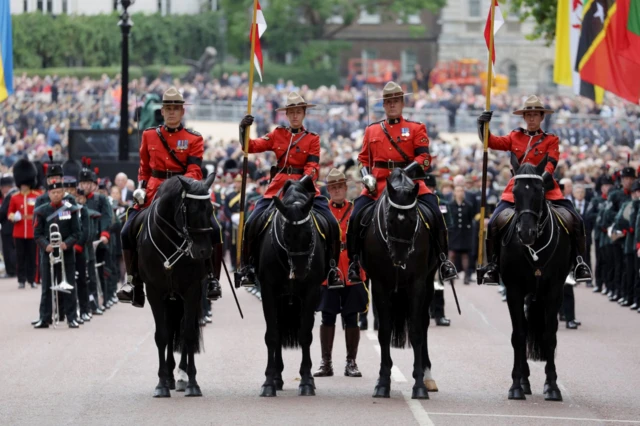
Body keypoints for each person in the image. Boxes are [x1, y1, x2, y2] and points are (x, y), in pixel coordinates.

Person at [117, 87, 222, 307]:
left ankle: (213, 279)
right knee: (127, 229)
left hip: (184, 191)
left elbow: (194, 171)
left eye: (176, 108)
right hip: (154, 190)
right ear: (162, 111)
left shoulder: (194, 138)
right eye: (168, 108)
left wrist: (176, 186)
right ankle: (132, 281)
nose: (172, 112)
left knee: (214, 228)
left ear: (182, 111)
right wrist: (143, 187)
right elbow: (144, 168)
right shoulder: (148, 135)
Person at [346, 81, 457, 283]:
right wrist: (366, 176)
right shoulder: (372, 130)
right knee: (355, 215)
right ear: (384, 105)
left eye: (395, 101)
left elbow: (424, 159)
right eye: (388, 101)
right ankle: (354, 263)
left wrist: (403, 174)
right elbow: (363, 159)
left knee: (435, 211)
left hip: (410, 184)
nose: (392, 105)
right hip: (378, 184)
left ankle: (443, 260)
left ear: (402, 103)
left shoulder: (415, 128)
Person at [476, 95, 592, 285]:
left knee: (576, 219)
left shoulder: (551, 139)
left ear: (541, 118)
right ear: (523, 117)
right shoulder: (514, 136)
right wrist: (482, 126)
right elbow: (492, 142)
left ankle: (579, 262)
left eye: (535, 115)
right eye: (528, 115)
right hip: (518, 190)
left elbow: (552, 164)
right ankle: (494, 266)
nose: (531, 119)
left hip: (546, 188)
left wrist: (540, 181)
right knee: (493, 223)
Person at [235, 92, 342, 289]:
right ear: (286, 114)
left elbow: (313, 168)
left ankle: (333, 268)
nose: (294, 116)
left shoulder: (312, 139)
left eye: (298, 112)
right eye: (291, 112)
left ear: (303, 114)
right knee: (251, 222)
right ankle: (248, 267)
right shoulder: (277, 134)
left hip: (305, 188)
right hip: (278, 189)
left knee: (331, 223)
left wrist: (301, 183)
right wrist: (243, 129)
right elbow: (250, 147)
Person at [314, 169, 368, 378]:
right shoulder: (321, 212)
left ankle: (351, 362)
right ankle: (326, 362)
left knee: (351, 317)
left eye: (340, 187)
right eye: (333, 187)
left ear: (346, 189)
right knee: (327, 316)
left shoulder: (356, 211)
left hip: (352, 270)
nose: (337, 190)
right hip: (329, 270)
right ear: (328, 190)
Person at [32, 178, 81, 329]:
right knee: (46, 286)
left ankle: (72, 318)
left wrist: (66, 243)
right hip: (48, 253)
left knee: (69, 286)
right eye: (53, 192)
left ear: (63, 193)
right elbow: (37, 234)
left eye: (59, 192)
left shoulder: (71, 209)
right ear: (49, 193)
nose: (56, 195)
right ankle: (44, 318)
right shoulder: (41, 211)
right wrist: (46, 245)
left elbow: (77, 232)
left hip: (66, 252)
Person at [8, 158, 42, 289]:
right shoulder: (14, 197)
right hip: (19, 230)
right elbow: (9, 213)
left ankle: (32, 279)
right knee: (20, 257)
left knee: (32, 258)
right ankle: (21, 279)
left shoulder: (36, 195)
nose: (24, 186)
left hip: (32, 230)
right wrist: (14, 216)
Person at [425, 174, 451, 326]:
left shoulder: (442, 203)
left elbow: (449, 224)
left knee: (438, 283)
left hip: (437, 249)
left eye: (430, 187)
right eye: (426, 186)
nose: (428, 189)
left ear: (434, 188)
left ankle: (439, 314)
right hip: (420, 249)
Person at [0, 174, 18, 279]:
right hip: (13, 226)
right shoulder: (16, 194)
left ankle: (11, 271)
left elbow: (3, 212)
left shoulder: (10, 196)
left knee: (8, 251)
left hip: (7, 227)